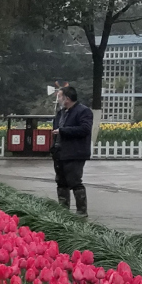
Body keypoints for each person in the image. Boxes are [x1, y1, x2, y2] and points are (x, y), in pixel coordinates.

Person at [51, 84, 93, 216]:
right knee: (61, 182)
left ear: (67, 98)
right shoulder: (61, 113)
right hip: (60, 152)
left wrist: (63, 131)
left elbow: (85, 129)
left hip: (75, 153)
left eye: (59, 96)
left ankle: (81, 211)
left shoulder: (83, 111)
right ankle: (63, 211)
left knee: (74, 181)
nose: (58, 99)